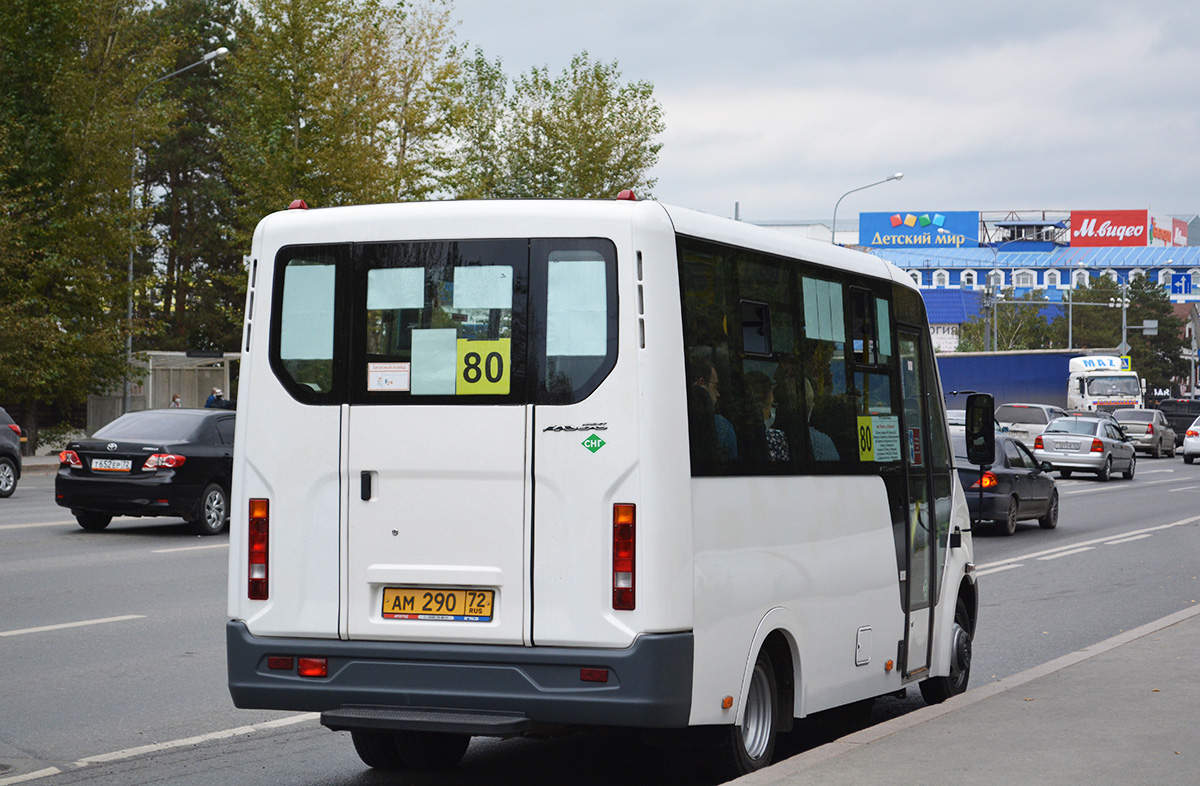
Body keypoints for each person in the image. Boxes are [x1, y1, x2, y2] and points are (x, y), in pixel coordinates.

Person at [745, 370, 789, 461]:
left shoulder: (739, 433)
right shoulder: (776, 437)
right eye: (771, 405)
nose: (772, 410)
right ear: (760, 406)